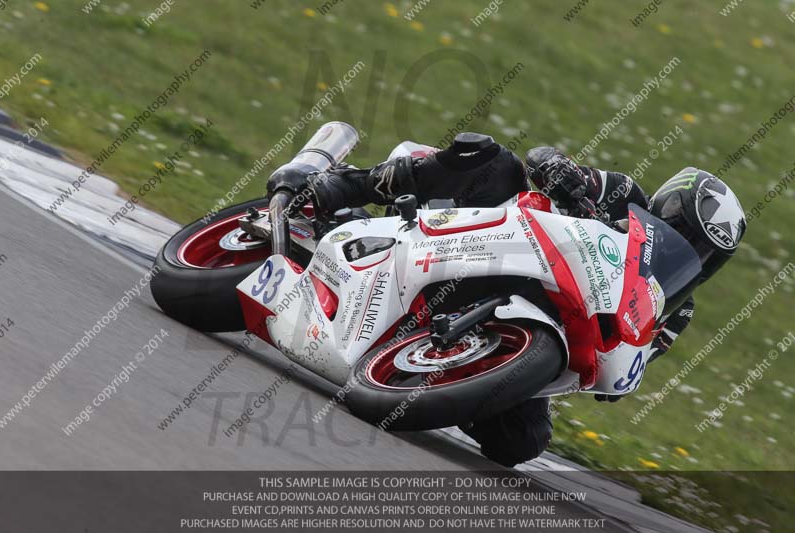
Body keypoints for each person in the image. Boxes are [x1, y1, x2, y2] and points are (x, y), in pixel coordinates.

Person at [267, 132, 747, 467]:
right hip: (495, 238)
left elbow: (620, 369)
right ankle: (342, 186)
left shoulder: (675, 307)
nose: (693, 252)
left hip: (543, 325)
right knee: (496, 163)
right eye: (687, 233)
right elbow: (543, 158)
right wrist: (563, 177)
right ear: (667, 207)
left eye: (706, 252)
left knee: (523, 442)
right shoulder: (622, 193)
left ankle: (444, 383)